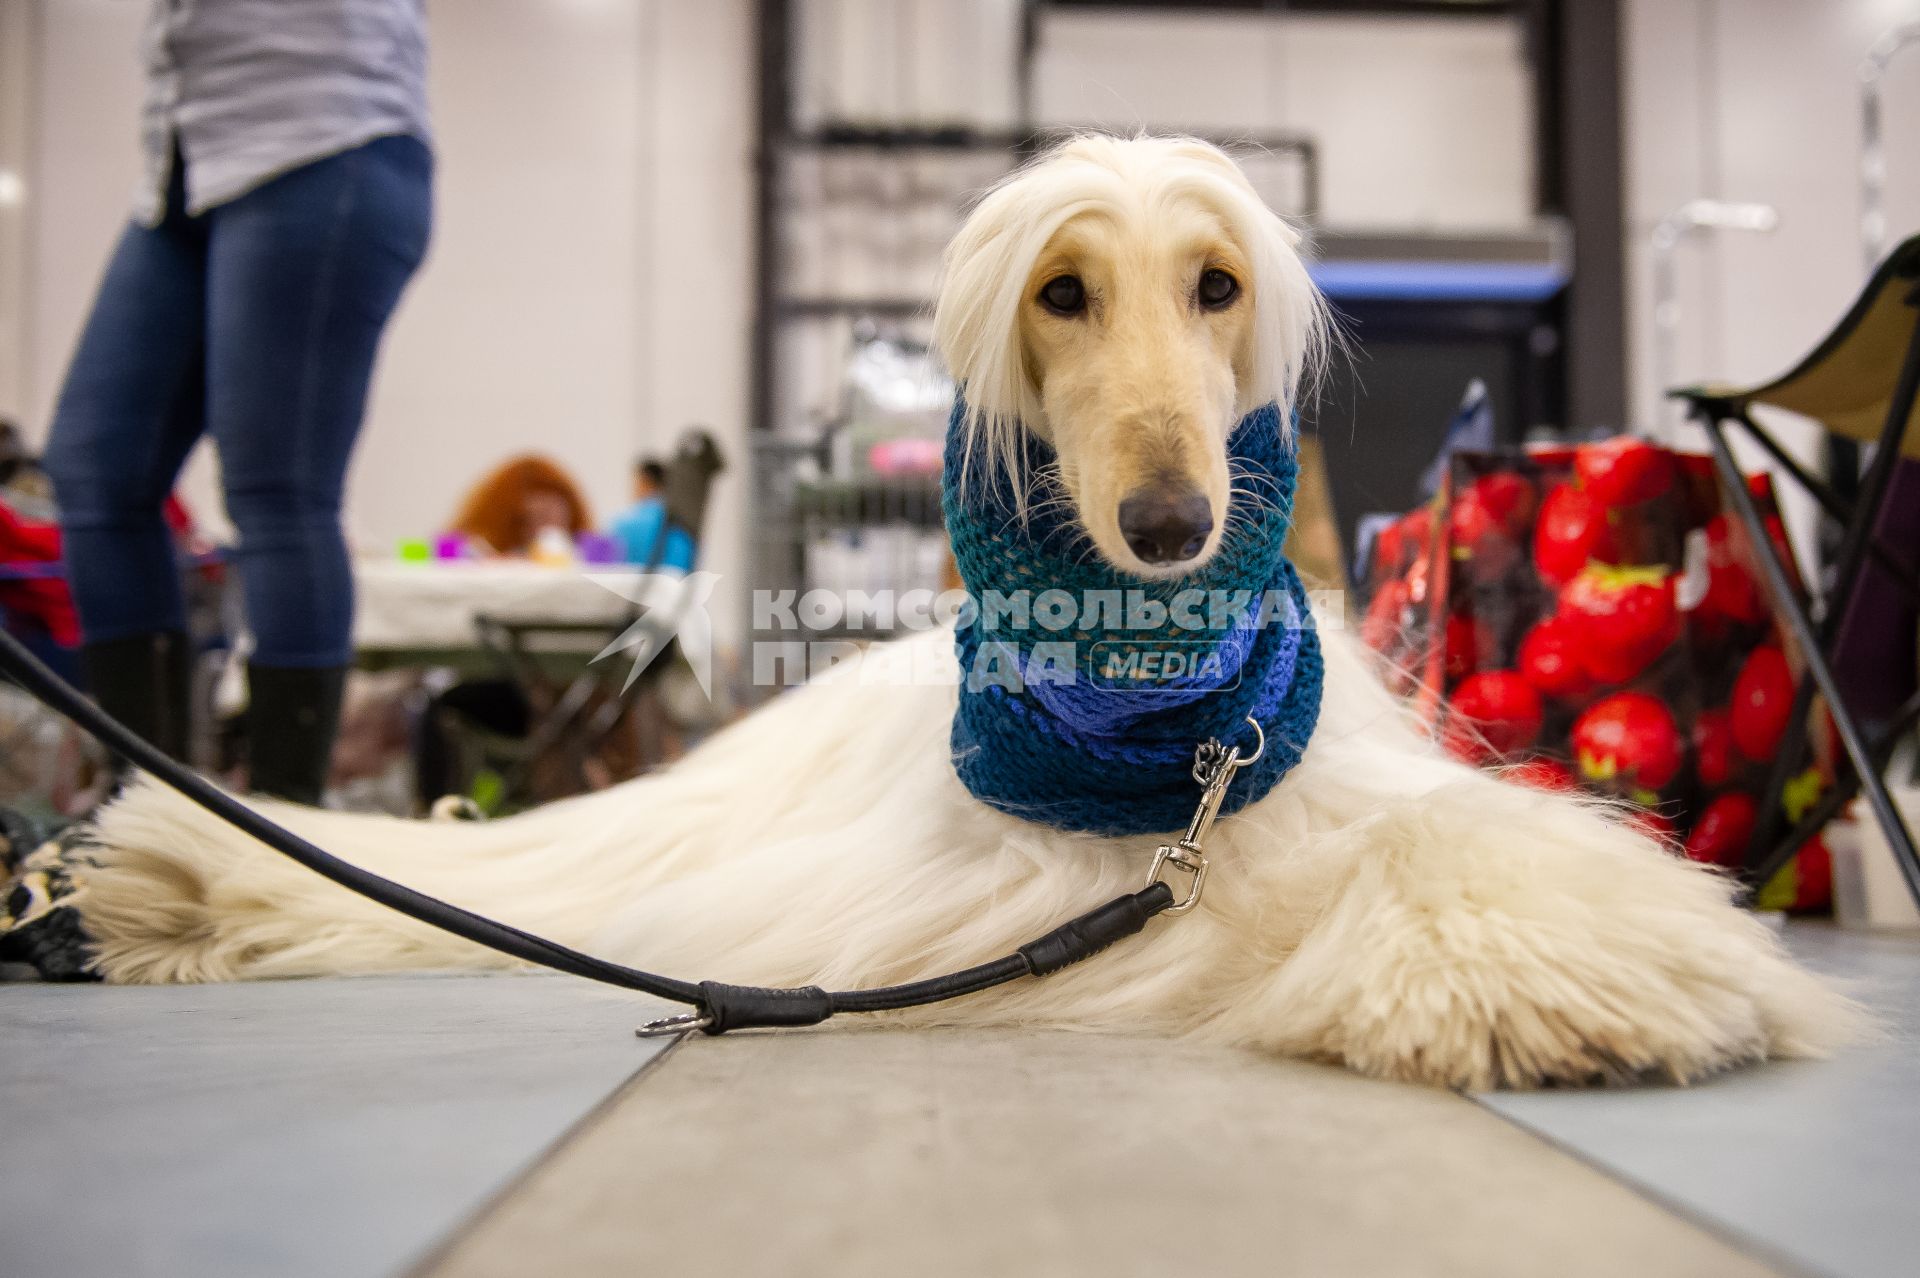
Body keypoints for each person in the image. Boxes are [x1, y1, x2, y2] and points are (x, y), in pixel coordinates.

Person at [41, 0, 434, 804]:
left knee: (277, 490)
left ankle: (285, 832)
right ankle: (147, 814)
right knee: (96, 470)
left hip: (326, 135)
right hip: (181, 161)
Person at [446, 455, 593, 558]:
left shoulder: (581, 555)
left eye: (547, 514)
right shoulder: (476, 552)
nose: (539, 529)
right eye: (527, 519)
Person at [609, 456, 696, 571]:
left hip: (633, 588)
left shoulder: (623, 525)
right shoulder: (684, 528)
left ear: (644, 481)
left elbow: (607, 570)